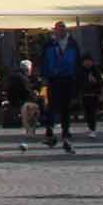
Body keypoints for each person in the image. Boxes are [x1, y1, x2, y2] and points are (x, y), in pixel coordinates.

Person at [40, 23, 83, 153]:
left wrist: (77, 77)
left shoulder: (72, 44)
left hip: (68, 78)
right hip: (53, 78)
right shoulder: (49, 44)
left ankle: (65, 130)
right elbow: (44, 60)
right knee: (52, 105)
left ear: (65, 30)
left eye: (61, 29)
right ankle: (50, 130)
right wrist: (44, 75)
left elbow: (77, 62)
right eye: (57, 30)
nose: (59, 32)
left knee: (66, 106)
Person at [4, 59, 42, 140]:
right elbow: (27, 91)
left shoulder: (14, 75)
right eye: (31, 69)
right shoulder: (22, 78)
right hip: (19, 101)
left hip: (12, 99)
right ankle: (44, 123)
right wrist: (37, 97)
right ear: (28, 69)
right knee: (38, 103)